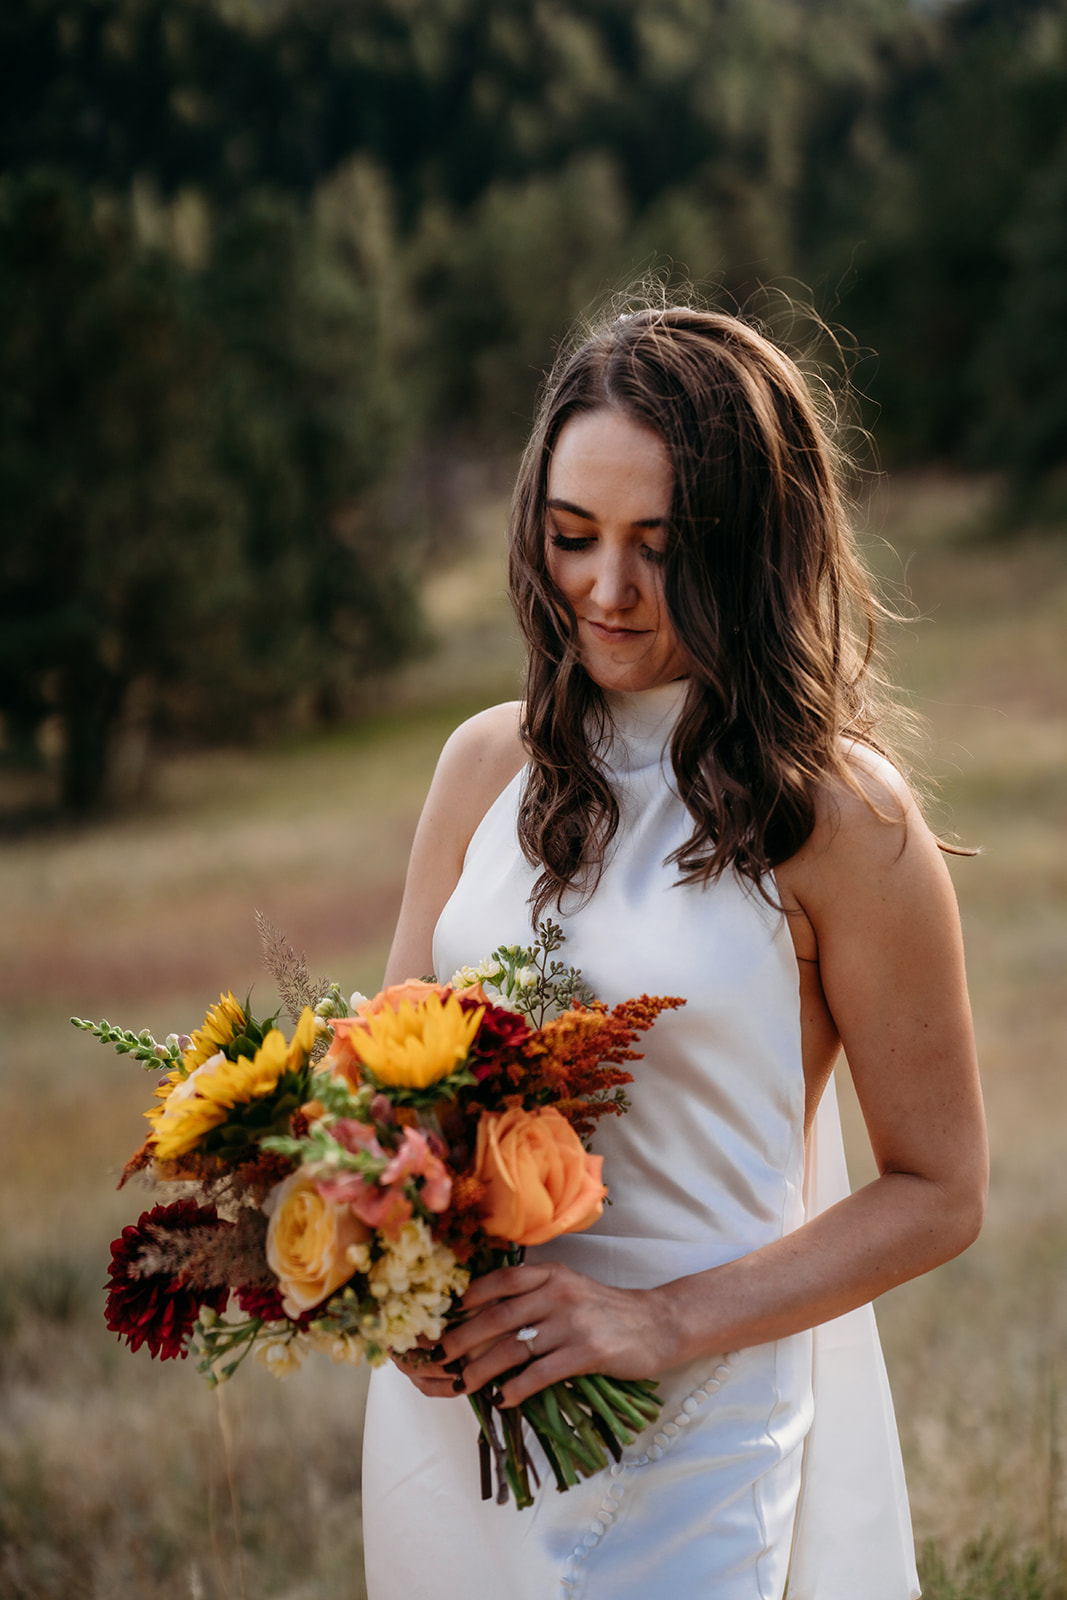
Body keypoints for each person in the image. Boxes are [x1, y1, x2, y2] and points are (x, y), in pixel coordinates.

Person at [360, 304, 987, 1600]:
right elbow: (385, 1089)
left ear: (752, 545)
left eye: (661, 545)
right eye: (572, 536)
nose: (606, 587)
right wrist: (387, 1278)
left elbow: (940, 1189)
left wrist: (660, 1323)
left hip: (691, 1425)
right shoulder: (484, 765)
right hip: (454, 1422)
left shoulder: (841, 818)